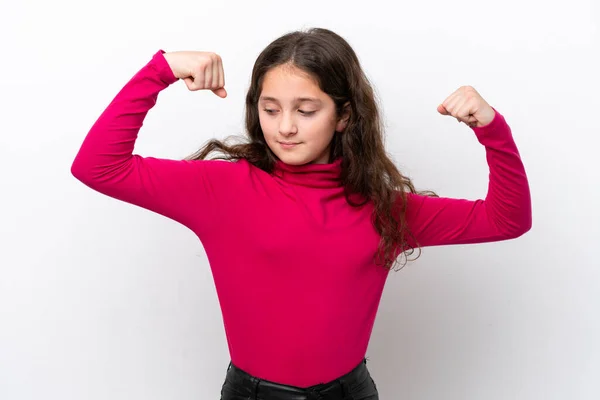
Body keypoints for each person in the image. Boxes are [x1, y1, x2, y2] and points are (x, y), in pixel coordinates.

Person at [71, 27, 532, 400]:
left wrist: (492, 130)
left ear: (344, 116)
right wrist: (161, 70)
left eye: (306, 110)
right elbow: (97, 166)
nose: (285, 126)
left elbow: (507, 219)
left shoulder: (384, 207)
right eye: (270, 109)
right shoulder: (222, 188)